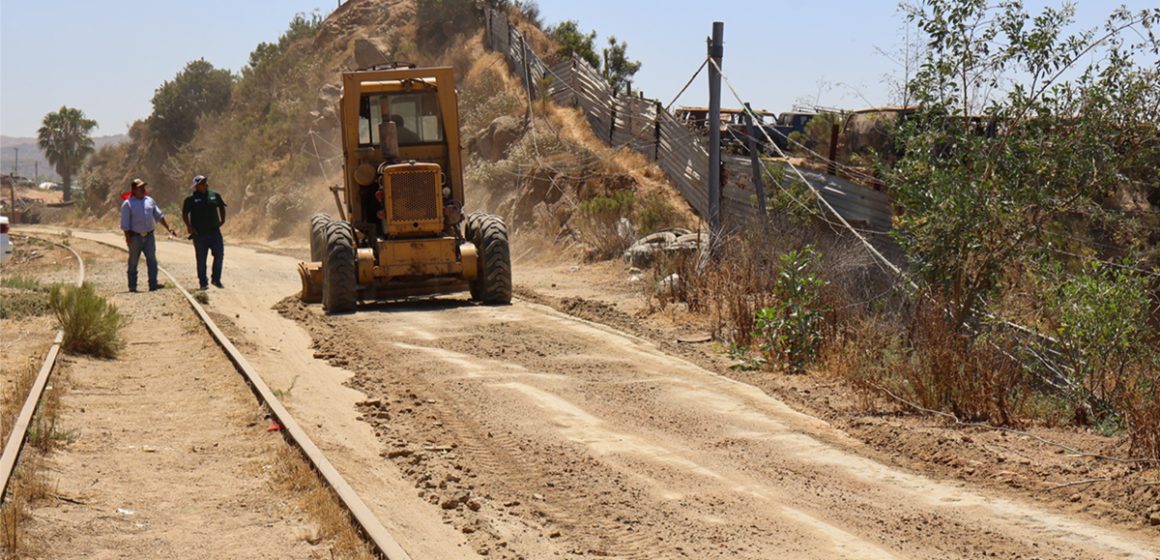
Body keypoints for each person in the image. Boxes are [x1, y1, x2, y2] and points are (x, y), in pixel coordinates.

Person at [120, 178, 176, 292]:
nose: (143, 189)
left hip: (149, 236)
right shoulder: (127, 204)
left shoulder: (149, 201)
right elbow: (125, 224)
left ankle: (153, 284)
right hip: (135, 237)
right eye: (140, 187)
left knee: (152, 260)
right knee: (133, 262)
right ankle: (132, 286)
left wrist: (168, 227)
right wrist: (128, 238)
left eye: (144, 187)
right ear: (134, 190)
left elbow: (158, 215)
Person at [182, 175, 228, 290]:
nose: (205, 184)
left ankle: (216, 279)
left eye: (206, 182)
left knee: (219, 255)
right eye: (202, 183)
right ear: (196, 186)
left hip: (214, 232)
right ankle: (203, 282)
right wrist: (189, 226)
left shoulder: (214, 195)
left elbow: (221, 206)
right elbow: (184, 214)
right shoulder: (191, 199)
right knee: (201, 259)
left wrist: (222, 220)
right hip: (199, 234)